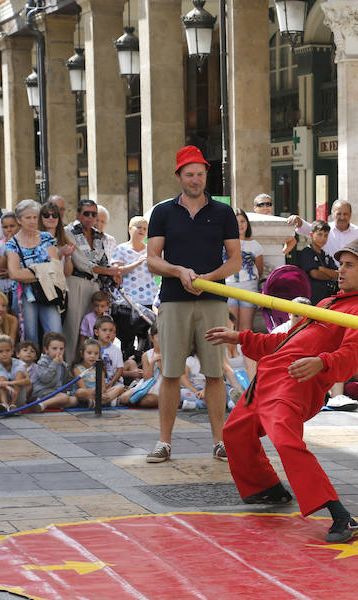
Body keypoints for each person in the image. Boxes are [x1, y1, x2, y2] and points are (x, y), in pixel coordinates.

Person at [206, 237, 358, 543]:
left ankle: (342, 517)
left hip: (291, 385)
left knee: (286, 443)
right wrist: (240, 336)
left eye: (349, 266)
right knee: (235, 432)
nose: (341, 271)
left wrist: (321, 363)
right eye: (341, 264)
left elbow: (350, 359)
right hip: (268, 379)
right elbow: (282, 343)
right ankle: (266, 489)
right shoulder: (327, 304)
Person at [145, 145, 241, 463]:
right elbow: (152, 261)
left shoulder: (224, 212)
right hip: (173, 300)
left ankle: (220, 441)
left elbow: (236, 261)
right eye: (190, 174)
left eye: (200, 173)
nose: (196, 179)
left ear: (206, 174)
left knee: (215, 372)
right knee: (171, 372)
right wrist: (180, 272)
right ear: (179, 176)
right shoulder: (162, 212)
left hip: (213, 299)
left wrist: (208, 278)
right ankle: (164, 442)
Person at [63, 199, 120, 352]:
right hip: (76, 282)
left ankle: (93, 368)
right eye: (86, 213)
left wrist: (113, 273)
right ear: (78, 214)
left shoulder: (97, 235)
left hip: (94, 286)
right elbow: (80, 263)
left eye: (93, 214)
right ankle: (70, 368)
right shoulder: (69, 231)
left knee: (94, 329)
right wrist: (108, 271)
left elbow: (103, 261)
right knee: (74, 328)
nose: (90, 217)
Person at [6, 200, 64, 342]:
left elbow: (56, 268)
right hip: (24, 294)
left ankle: (56, 362)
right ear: (19, 220)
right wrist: (43, 271)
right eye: (28, 218)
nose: (32, 221)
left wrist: (29, 273)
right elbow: (14, 274)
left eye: (34, 217)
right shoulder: (12, 243)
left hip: (48, 291)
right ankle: (30, 364)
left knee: (55, 332)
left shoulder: (47, 238)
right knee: (29, 335)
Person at [112, 216, 158, 352]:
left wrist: (154, 264)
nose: (142, 230)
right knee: (127, 336)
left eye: (145, 228)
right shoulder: (121, 249)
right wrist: (137, 262)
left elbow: (156, 272)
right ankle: (128, 364)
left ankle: (145, 365)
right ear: (129, 229)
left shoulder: (150, 249)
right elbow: (117, 271)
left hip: (149, 297)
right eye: (139, 227)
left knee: (148, 335)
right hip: (128, 300)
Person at [288, 200, 358, 266]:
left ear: (350, 215)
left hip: (351, 279)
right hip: (327, 278)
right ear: (332, 214)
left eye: (345, 214)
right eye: (339, 214)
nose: (342, 217)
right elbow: (307, 228)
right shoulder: (324, 229)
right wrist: (298, 221)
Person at [225, 209, 264, 331]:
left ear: (247, 223)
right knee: (230, 327)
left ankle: (243, 351)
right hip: (228, 287)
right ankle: (231, 351)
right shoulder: (223, 242)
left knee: (246, 328)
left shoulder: (255, 245)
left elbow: (259, 270)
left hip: (249, 288)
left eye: (243, 221)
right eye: (236, 222)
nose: (240, 225)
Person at [73, 337, 131, 407]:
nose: (93, 356)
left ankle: (97, 403)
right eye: (89, 353)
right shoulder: (77, 368)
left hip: (100, 393)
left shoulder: (99, 368)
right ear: (82, 354)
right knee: (80, 392)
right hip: (89, 393)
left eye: (96, 353)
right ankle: (107, 402)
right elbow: (83, 388)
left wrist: (101, 393)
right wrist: (97, 393)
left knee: (120, 387)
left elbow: (103, 387)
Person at [31, 332, 79, 411]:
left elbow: (68, 381)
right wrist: (54, 363)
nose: (58, 352)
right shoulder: (43, 361)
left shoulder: (63, 364)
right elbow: (45, 378)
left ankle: (50, 404)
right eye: (54, 348)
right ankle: (42, 404)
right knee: (64, 398)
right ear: (46, 349)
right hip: (44, 391)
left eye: (61, 349)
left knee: (74, 400)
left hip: (56, 392)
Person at [298, 220, 338, 305]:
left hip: (326, 297)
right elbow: (315, 274)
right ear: (312, 235)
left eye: (326, 235)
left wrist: (322, 269)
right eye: (319, 234)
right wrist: (330, 275)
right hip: (312, 297)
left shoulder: (326, 255)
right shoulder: (307, 252)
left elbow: (337, 274)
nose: (323, 238)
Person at [0, 334, 30, 413]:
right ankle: (5, 405)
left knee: (20, 371)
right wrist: (6, 386)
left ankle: (13, 404)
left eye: (7, 350)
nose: (4, 354)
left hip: (17, 400)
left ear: (12, 350)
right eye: (0, 351)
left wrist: (10, 383)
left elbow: (27, 381)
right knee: (1, 374)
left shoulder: (20, 364)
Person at [0, 211, 20, 306]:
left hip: (18, 293)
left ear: (19, 226)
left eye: (12, 226)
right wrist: (9, 247)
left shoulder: (25, 245)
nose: (9, 230)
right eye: (5, 227)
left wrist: (11, 273)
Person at [38, 201, 76, 274]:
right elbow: (44, 268)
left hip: (60, 283)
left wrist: (67, 257)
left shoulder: (63, 241)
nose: (51, 218)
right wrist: (60, 254)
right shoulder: (35, 240)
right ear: (41, 218)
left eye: (54, 215)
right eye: (46, 215)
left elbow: (67, 273)